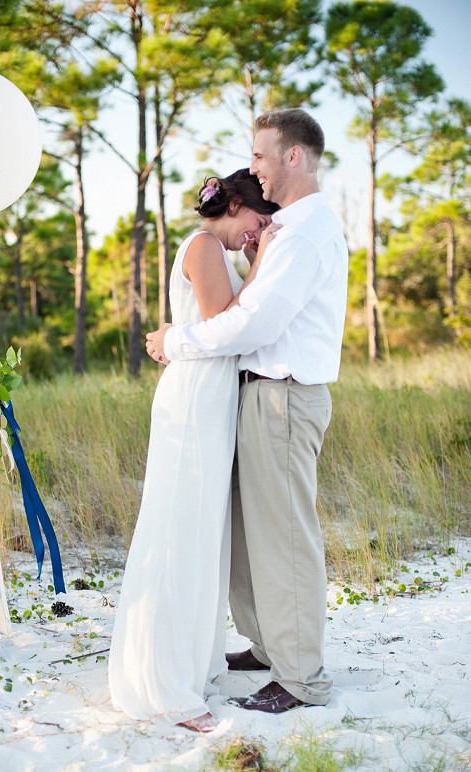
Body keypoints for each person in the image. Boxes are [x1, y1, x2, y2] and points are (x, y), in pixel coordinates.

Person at [146, 108, 348, 714]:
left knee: (284, 539)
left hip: (283, 396)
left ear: (292, 156)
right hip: (253, 393)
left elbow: (252, 322)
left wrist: (173, 343)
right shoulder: (284, 232)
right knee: (245, 535)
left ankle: (301, 676)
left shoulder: (306, 233)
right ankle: (265, 645)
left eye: (260, 155)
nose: (251, 167)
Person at [108, 169, 278, 732]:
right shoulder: (205, 245)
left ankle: (186, 664)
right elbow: (225, 321)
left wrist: (253, 266)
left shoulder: (214, 247)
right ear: (233, 206)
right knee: (179, 530)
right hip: (192, 399)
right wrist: (259, 267)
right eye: (257, 221)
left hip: (208, 398)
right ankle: (162, 681)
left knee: (200, 532)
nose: (256, 233)